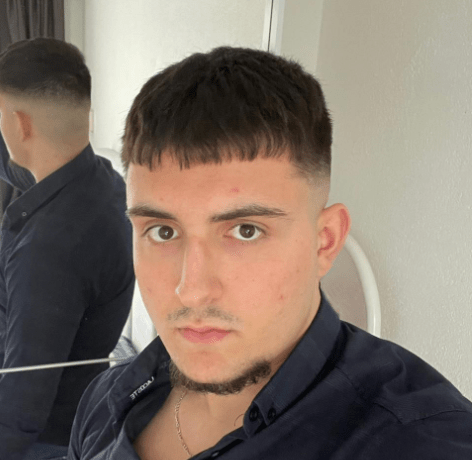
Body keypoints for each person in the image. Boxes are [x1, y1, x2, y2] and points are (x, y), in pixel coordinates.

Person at [68, 47, 472, 460]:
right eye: (163, 231)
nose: (191, 290)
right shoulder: (106, 401)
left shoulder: (420, 441)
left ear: (324, 242)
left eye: (245, 231)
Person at [0, 38, 135, 459]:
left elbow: (20, 412)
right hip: (81, 397)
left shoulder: (47, 251)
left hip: (44, 439)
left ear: (20, 125)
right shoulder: (103, 182)